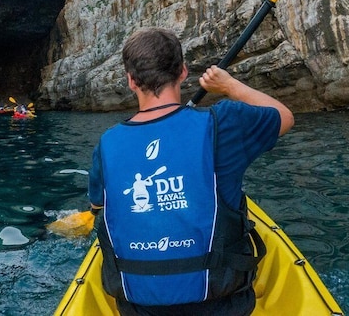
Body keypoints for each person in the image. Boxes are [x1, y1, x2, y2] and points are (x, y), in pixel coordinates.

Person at [88, 27, 294, 316]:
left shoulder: (106, 145)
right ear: (183, 72)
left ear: (131, 81)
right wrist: (230, 85)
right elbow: (285, 117)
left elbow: (98, 206)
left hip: (138, 308)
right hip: (222, 306)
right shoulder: (223, 123)